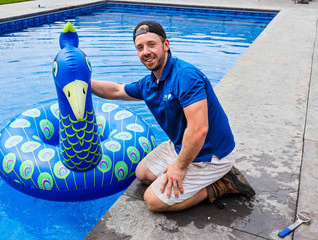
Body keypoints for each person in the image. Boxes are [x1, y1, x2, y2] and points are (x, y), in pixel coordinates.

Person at [91, 21, 255, 212]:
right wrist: (82, 81)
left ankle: (222, 184)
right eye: (140, 47)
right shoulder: (150, 83)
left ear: (166, 45)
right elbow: (117, 90)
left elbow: (199, 129)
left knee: (153, 201)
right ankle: (194, 173)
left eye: (151, 44)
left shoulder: (185, 76)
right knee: (142, 174)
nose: (146, 52)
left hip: (210, 154)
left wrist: (179, 167)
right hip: (182, 145)